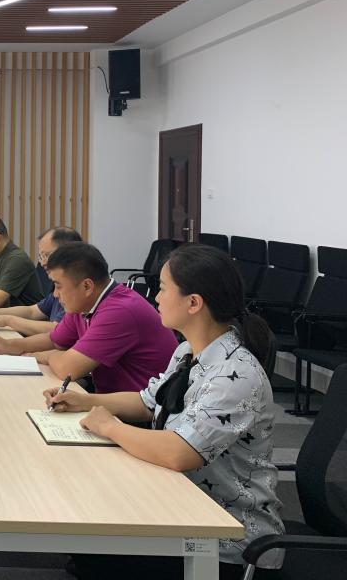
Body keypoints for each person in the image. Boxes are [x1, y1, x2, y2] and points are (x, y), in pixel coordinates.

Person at [45, 244, 283, 580]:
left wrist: (110, 426)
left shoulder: (236, 374)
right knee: (86, 530)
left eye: (163, 288)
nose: (155, 297)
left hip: (227, 540)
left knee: (94, 543)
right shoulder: (188, 351)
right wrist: (85, 401)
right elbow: (148, 401)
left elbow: (178, 452)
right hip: (178, 503)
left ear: (193, 303)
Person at [0, 242, 177, 394]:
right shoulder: (84, 303)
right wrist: (9, 345)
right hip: (109, 401)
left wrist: (44, 356)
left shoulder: (119, 311)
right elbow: (54, 340)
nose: (55, 294)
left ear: (86, 286)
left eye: (58, 286)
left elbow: (67, 368)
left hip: (144, 416)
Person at [0, 226, 83, 335]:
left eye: (47, 255)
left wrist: (8, 321)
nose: (42, 263)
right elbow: (32, 311)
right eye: (41, 256)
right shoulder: (57, 290)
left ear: (69, 254)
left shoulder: (76, 290)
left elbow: (58, 330)